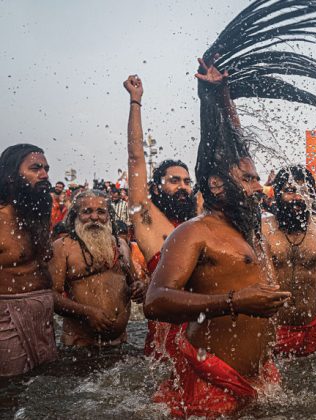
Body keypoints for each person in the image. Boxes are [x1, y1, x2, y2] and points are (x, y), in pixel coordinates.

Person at [143, 56, 292, 417]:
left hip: (259, 378)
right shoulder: (193, 233)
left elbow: (235, 152)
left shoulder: (246, 227)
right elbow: (155, 301)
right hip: (212, 383)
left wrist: (220, 98)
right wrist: (234, 300)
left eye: (258, 178)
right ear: (216, 186)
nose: (259, 188)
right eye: (249, 180)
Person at [124, 75, 198, 358]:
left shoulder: (198, 221)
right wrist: (135, 101)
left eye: (186, 182)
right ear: (157, 187)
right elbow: (135, 159)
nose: (182, 187)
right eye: (174, 181)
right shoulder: (147, 220)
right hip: (165, 337)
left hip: (203, 329)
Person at [49, 190, 145, 347]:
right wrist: (87, 313)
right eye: (87, 212)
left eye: (101, 212)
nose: (94, 217)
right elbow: (51, 296)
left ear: (109, 216)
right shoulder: (62, 247)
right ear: (75, 216)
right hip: (80, 346)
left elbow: (135, 282)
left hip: (121, 344)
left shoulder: (121, 246)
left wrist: (139, 288)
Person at [262, 166, 316, 357]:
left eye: (304, 191)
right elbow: (262, 287)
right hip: (272, 329)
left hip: (310, 329)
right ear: (277, 193)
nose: (298, 198)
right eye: (290, 190)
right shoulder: (263, 231)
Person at [0, 144, 58, 377]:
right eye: (35, 168)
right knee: (10, 394)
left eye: (46, 168)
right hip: (7, 322)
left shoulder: (36, 217)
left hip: (43, 321)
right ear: (12, 176)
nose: (44, 175)